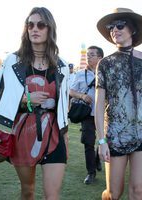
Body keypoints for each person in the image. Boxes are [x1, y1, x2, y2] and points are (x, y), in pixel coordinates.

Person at [0, 7, 69, 199]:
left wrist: (65, 133)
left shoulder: (62, 65)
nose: (34, 29)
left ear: (50, 29)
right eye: (30, 25)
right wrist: (26, 99)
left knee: (52, 195)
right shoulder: (13, 60)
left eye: (40, 25)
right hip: (23, 132)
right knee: (28, 191)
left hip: (54, 133)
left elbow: (63, 104)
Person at [96, 8, 142, 199]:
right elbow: (98, 106)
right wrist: (101, 141)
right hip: (115, 136)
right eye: (111, 27)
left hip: (141, 133)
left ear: (132, 29)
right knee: (114, 193)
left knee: (138, 190)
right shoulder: (105, 63)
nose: (114, 29)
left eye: (120, 25)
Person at [70, 46, 104, 184]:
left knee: (103, 140)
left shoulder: (106, 72)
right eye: (88, 55)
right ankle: (91, 172)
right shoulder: (80, 74)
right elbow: (71, 91)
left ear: (100, 57)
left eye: (92, 55)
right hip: (87, 114)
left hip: (105, 114)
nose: (89, 57)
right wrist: (82, 96)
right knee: (88, 143)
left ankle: (97, 158)